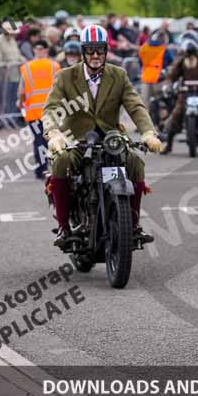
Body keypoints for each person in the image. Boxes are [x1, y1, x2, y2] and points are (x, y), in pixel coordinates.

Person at [44, 25, 162, 248]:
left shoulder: (119, 75)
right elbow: (50, 109)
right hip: (76, 140)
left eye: (100, 50)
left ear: (107, 50)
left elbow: (135, 106)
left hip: (111, 139)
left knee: (136, 162)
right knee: (61, 163)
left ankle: (133, 225)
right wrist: (54, 133)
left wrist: (148, 132)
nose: (95, 55)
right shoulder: (65, 77)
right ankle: (64, 227)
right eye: (90, 50)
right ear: (83, 51)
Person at [17, 40, 61, 179]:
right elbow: (60, 87)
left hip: (34, 111)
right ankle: (54, 167)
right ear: (46, 50)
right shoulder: (55, 66)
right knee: (52, 139)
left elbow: (21, 90)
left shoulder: (26, 67)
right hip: (51, 110)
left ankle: (41, 169)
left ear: (35, 50)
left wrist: (20, 101)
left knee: (38, 140)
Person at [138, 31, 175, 128]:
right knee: (161, 103)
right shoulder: (164, 49)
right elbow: (171, 62)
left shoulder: (143, 48)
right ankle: (162, 124)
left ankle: (144, 125)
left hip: (145, 78)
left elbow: (140, 62)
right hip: (159, 79)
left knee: (145, 104)